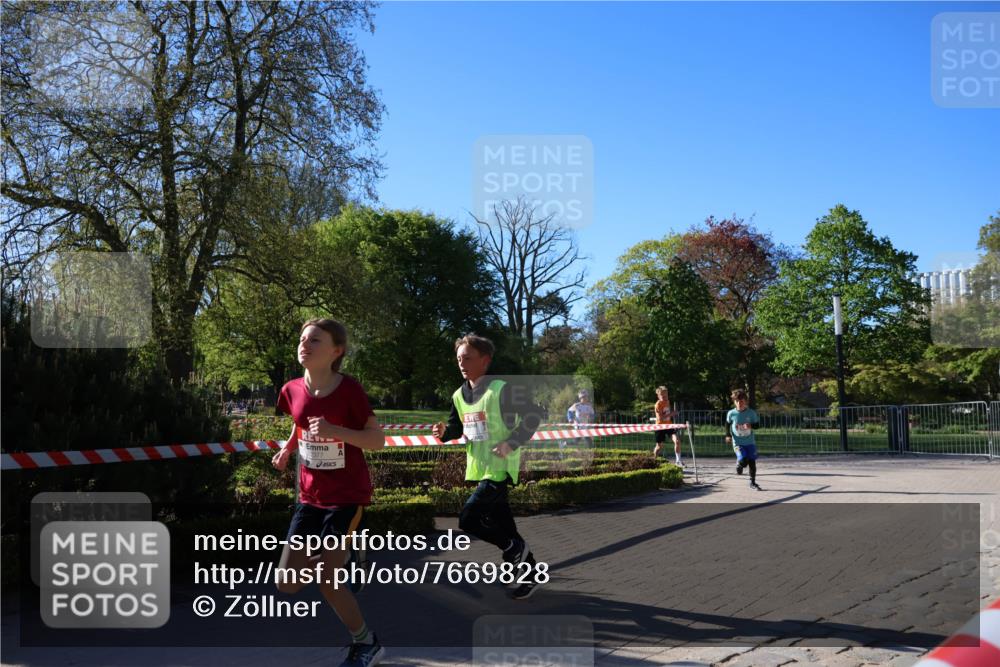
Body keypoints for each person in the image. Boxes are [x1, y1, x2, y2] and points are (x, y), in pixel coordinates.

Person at [271, 318, 386, 667]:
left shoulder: (349, 390)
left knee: (328, 582)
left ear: (337, 351)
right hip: (310, 498)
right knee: (286, 582)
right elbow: (300, 423)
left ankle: (367, 643)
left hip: (346, 497)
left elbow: (377, 440)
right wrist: (288, 449)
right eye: (302, 338)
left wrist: (336, 430)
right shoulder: (291, 389)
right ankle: (347, 558)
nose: (304, 344)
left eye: (315, 340)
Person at [432, 334, 544, 600]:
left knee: (468, 519)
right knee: (504, 524)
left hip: (499, 468)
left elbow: (534, 415)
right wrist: (444, 433)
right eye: (458, 359)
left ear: (485, 361)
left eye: (467, 358)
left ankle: (512, 549)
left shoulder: (502, 389)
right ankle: (530, 572)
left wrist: (511, 443)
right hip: (479, 467)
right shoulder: (459, 395)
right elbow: (457, 427)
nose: (461, 363)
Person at [725, 388, 762, 491]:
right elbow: (727, 424)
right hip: (738, 442)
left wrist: (750, 425)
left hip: (750, 442)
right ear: (734, 402)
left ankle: (752, 483)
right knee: (744, 462)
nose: (739, 403)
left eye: (741, 401)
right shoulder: (731, 413)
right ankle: (740, 464)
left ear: (746, 401)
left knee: (752, 461)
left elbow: (757, 425)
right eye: (737, 401)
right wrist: (727, 435)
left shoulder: (751, 413)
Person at [652, 386, 684, 467]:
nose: (665, 397)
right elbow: (660, 418)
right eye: (663, 396)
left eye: (666, 395)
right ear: (658, 396)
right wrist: (672, 414)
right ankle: (653, 461)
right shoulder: (657, 405)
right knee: (659, 446)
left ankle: (678, 461)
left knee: (677, 441)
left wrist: (671, 414)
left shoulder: (668, 401)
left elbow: (667, 413)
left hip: (669, 425)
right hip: (659, 427)